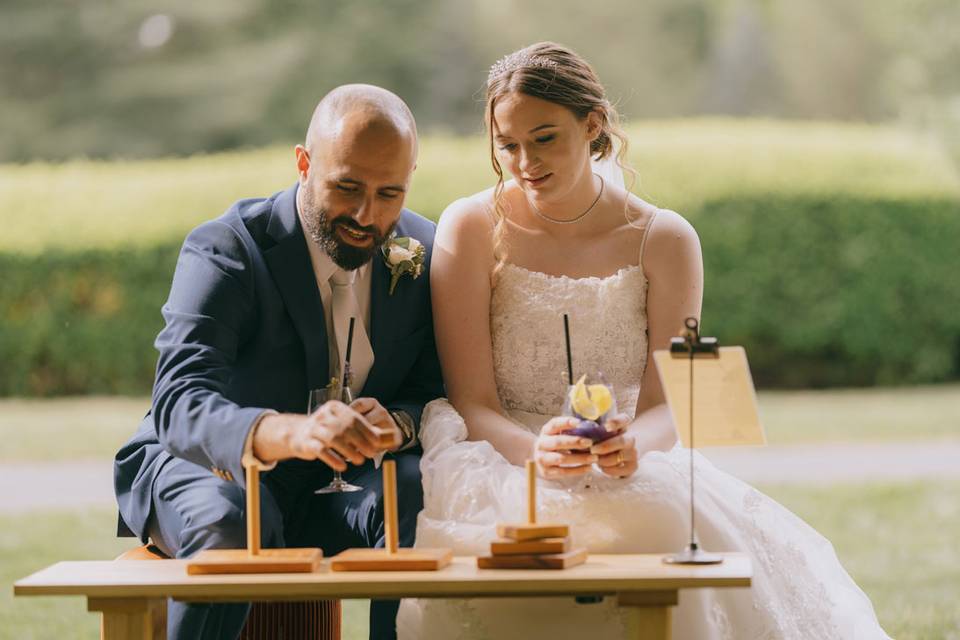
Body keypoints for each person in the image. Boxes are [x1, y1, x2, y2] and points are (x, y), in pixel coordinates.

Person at [396, 42, 889, 639]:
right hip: (500, 451)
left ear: (593, 125)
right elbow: (472, 400)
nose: (525, 160)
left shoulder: (665, 238)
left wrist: (632, 444)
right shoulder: (471, 226)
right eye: (508, 144)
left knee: (658, 519)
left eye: (545, 138)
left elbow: (667, 406)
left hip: (627, 455)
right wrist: (538, 455)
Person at [113, 84, 443, 640]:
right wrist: (292, 433)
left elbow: (433, 385)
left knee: (420, 491)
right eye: (347, 187)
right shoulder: (226, 249)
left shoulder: (424, 250)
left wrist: (401, 423)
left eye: (391, 193)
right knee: (234, 520)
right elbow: (178, 405)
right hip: (206, 468)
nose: (368, 215)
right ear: (303, 162)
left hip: (339, 488)